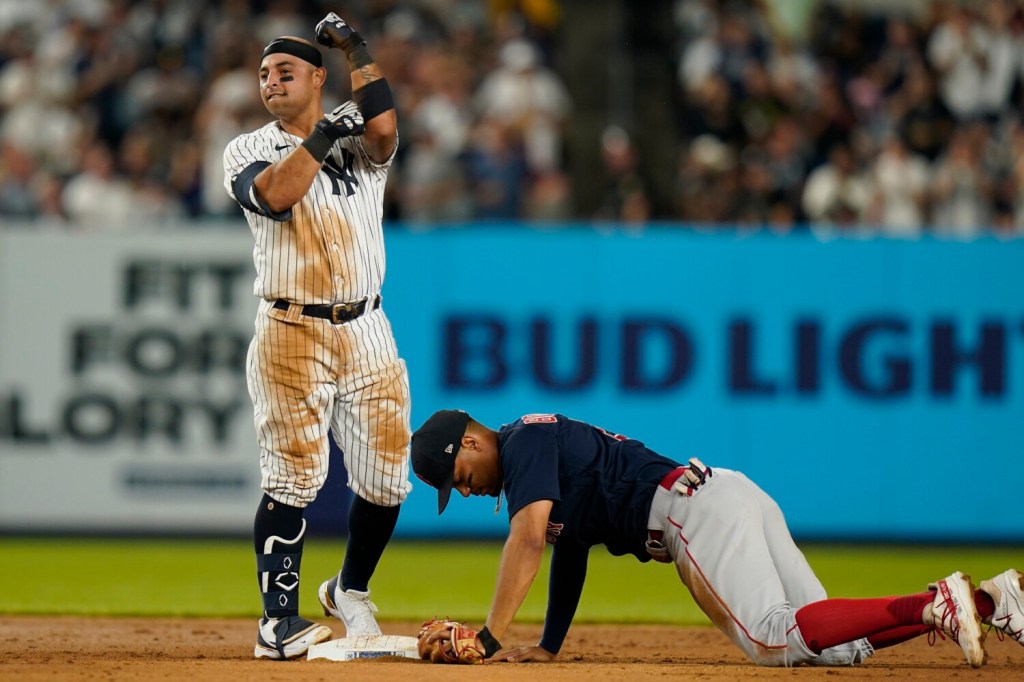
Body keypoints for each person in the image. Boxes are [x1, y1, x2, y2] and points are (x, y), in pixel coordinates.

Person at [410, 409, 1024, 667]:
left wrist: (490, 636)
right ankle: (988, 603)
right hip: (722, 493)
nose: (464, 493)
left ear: (469, 442)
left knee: (773, 640)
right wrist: (548, 645)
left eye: (459, 480)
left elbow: (527, 540)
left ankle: (931, 603)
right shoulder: (534, 455)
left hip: (689, 514)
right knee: (836, 649)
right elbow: (568, 545)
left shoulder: (524, 444)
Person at [223, 12, 411, 661]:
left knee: (389, 478)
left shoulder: (359, 146)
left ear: (317, 78)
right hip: (290, 327)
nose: (271, 82)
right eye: (264, 75)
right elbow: (274, 196)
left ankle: (348, 589)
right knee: (294, 478)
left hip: (367, 326)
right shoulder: (248, 147)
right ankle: (277, 622)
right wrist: (328, 126)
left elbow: (383, 127)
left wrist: (358, 47)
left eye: (285, 72)